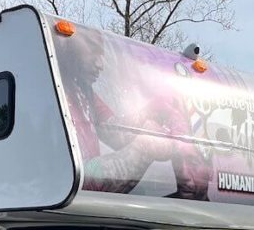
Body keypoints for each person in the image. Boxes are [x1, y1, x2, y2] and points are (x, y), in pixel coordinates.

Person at [54, 26, 210, 199]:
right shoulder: (52, 88)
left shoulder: (83, 89)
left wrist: (151, 111)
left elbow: (114, 132)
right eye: (92, 49)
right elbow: (71, 176)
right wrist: (144, 147)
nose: (100, 64)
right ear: (64, 44)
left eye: (101, 54)